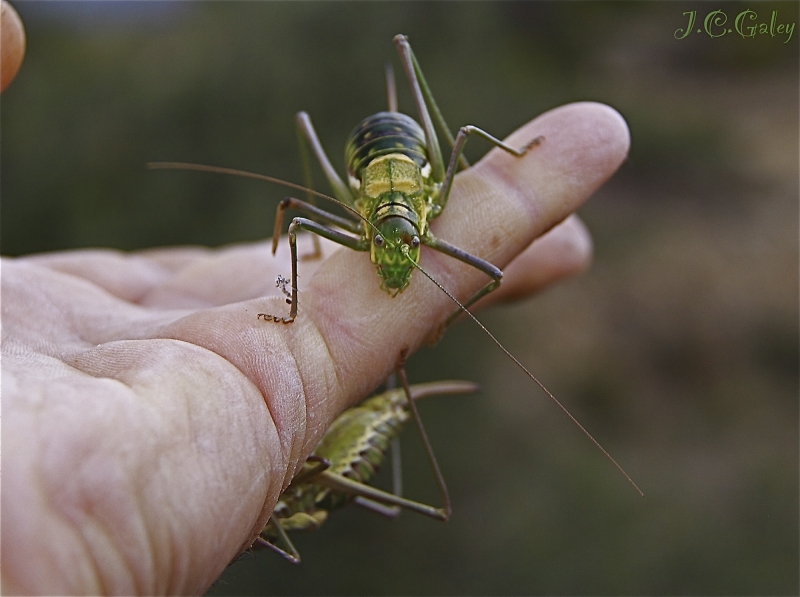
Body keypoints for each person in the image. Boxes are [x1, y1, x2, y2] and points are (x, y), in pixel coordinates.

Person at [1, 11, 629, 593]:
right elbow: (294, 216)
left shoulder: (432, 216)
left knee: (460, 141)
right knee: (299, 213)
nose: (392, 254)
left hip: (414, 164)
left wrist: (444, 305)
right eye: (382, 241)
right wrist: (295, 298)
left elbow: (487, 273)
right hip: (367, 167)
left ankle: (501, 155)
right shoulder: (360, 225)